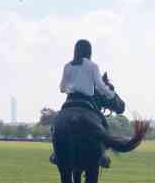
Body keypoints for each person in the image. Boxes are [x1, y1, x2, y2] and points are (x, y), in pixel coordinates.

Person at [50, 39, 117, 168]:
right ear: (89, 51)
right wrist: (111, 94)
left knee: (56, 124)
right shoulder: (92, 66)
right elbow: (100, 85)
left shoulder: (68, 66)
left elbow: (62, 88)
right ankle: (102, 154)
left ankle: (56, 154)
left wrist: (72, 87)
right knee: (103, 123)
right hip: (87, 100)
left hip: (70, 100)